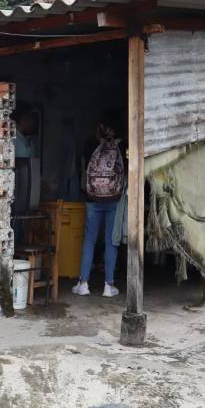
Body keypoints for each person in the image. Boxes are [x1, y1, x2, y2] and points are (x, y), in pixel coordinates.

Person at [73, 123, 125, 298]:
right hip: (114, 199)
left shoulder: (90, 145)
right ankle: (108, 286)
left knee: (89, 240)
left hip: (92, 200)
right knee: (112, 241)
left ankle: (83, 283)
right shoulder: (121, 145)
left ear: (97, 131)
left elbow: (81, 169)